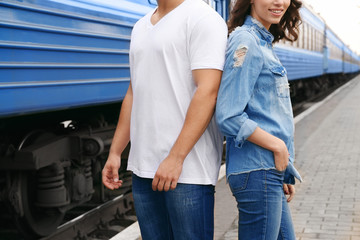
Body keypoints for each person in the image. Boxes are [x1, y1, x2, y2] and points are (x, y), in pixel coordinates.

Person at [102, 0, 228, 239]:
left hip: (187, 171)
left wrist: (176, 158)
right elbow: (133, 91)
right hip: (143, 168)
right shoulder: (140, 26)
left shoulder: (203, 18)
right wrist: (116, 152)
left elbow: (208, 91)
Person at [215, 0, 302, 239]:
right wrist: (278, 146)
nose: (280, 2)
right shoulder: (246, 41)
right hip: (257, 171)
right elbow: (228, 115)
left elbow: (267, 113)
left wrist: (285, 170)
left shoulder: (262, 42)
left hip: (268, 171)